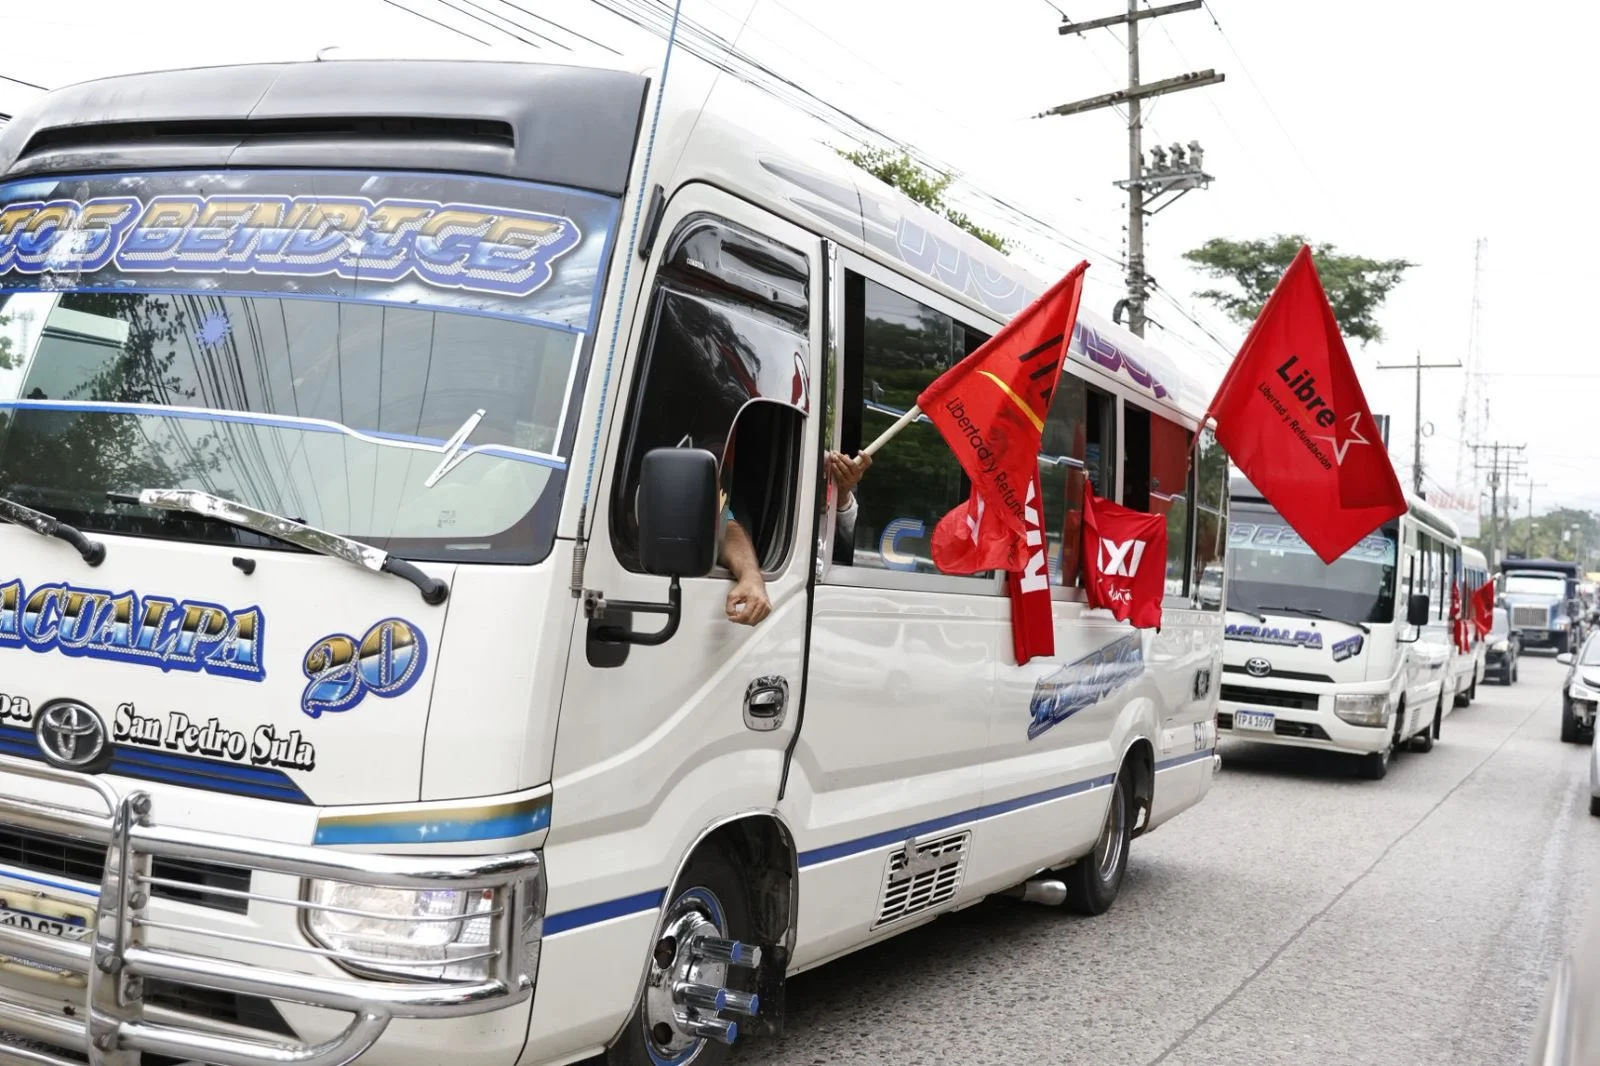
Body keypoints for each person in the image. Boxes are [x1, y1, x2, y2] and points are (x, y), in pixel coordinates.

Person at [722, 447, 872, 627]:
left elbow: (861, 556)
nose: (826, 483)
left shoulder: (835, 513)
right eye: (820, 475)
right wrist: (750, 576)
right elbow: (726, 527)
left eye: (829, 476)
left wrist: (842, 498)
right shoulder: (762, 508)